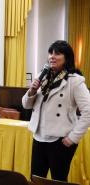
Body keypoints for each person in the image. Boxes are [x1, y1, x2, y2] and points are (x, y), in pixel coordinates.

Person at [22, 40, 90, 181]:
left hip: (60, 141)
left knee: (58, 180)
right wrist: (32, 90)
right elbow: (26, 105)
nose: (52, 56)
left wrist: (73, 138)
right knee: (35, 180)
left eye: (57, 53)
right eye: (51, 53)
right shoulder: (43, 77)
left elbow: (88, 111)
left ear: (67, 57)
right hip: (39, 137)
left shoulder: (75, 81)